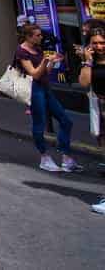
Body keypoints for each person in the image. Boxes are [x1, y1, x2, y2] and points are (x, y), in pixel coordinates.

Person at [16, 23, 79, 173]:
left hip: (45, 88)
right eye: (37, 35)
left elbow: (44, 72)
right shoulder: (21, 52)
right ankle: (44, 157)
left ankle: (65, 156)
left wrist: (52, 62)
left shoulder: (37, 48)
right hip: (33, 90)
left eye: (40, 35)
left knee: (66, 121)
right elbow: (35, 74)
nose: (41, 37)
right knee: (39, 124)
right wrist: (45, 60)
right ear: (28, 37)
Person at [77, 23, 105, 214]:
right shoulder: (90, 63)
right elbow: (84, 83)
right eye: (94, 43)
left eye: (102, 42)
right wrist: (87, 61)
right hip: (101, 109)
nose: (99, 46)